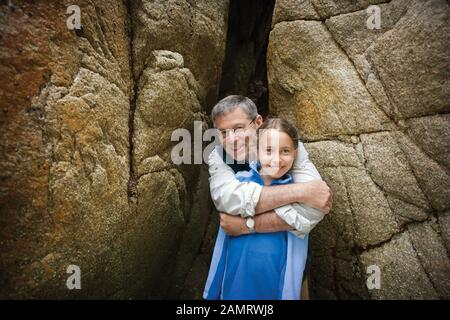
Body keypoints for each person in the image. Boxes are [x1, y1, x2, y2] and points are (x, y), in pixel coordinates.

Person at [203, 95, 333, 300]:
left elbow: (316, 207)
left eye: (238, 128)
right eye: (224, 132)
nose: (232, 139)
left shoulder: (285, 146)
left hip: (288, 261)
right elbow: (229, 199)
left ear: (257, 123)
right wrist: (302, 192)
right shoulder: (218, 156)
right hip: (241, 267)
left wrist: (247, 226)